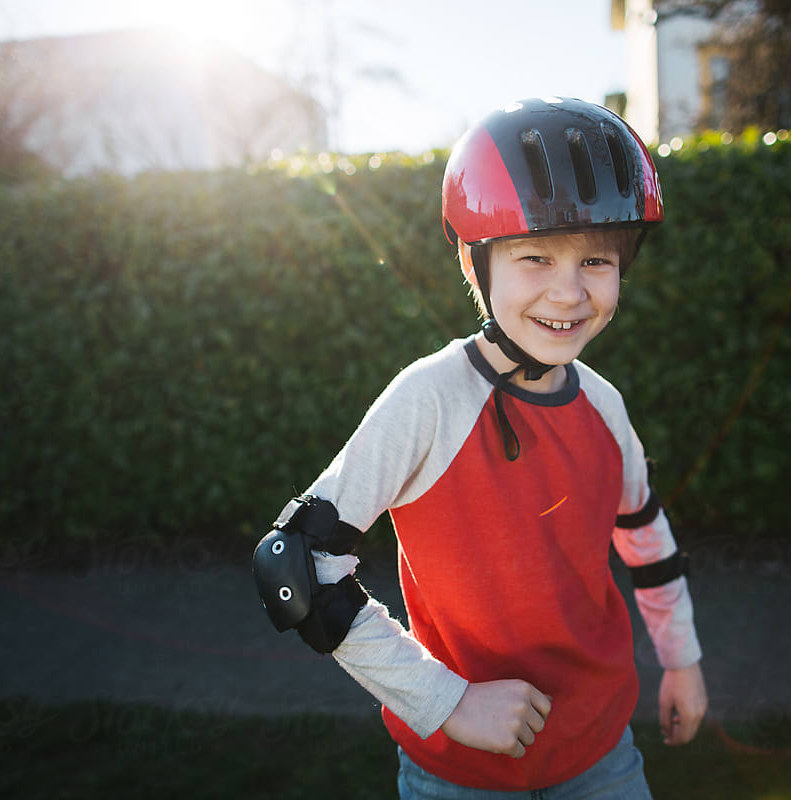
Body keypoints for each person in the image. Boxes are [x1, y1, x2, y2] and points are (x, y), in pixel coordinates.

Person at [253, 96, 707, 798]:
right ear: (475, 262)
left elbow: (644, 534)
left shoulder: (604, 405)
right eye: (534, 257)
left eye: (595, 260)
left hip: (600, 756)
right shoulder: (428, 399)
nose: (569, 291)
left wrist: (682, 661)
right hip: (458, 774)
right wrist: (447, 702)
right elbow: (296, 570)